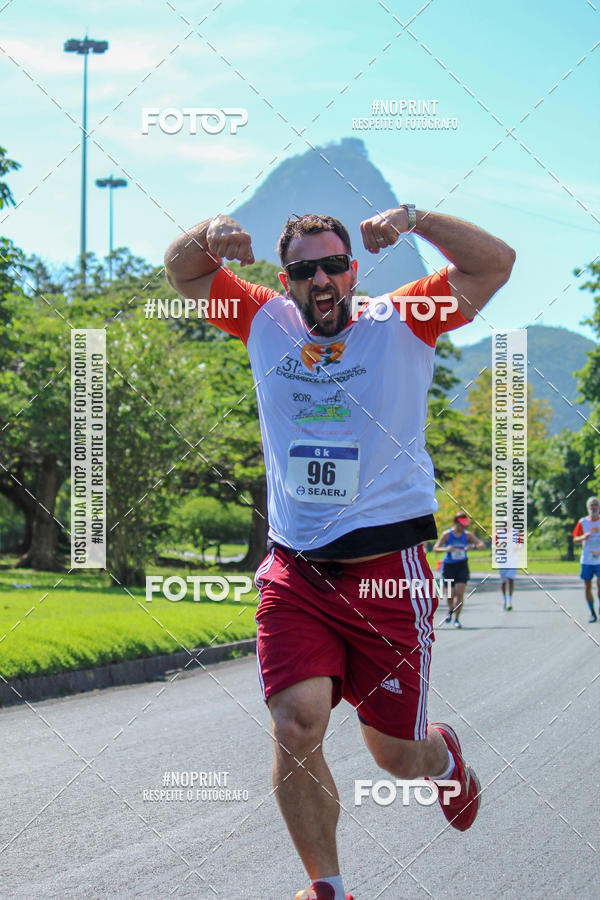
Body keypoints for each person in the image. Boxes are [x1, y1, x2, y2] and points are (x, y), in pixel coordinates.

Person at [165, 206, 515, 900]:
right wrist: (208, 232)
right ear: (285, 279)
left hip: (388, 577)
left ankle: (442, 757)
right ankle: (328, 887)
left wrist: (415, 220)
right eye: (303, 270)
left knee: (397, 757)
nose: (320, 280)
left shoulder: (405, 318)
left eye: (332, 265)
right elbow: (182, 271)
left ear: (353, 270)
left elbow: (494, 263)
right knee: (295, 726)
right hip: (296, 573)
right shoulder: (262, 321)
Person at [433, 515, 485, 628]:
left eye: (464, 525)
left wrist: (473, 546)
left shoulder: (467, 535)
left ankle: (457, 619)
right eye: (461, 525)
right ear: (456, 523)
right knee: (450, 594)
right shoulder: (447, 534)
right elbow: (435, 548)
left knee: (460, 593)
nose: (463, 527)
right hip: (449, 566)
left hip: (462, 566)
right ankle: (450, 609)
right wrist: (446, 549)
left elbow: (481, 545)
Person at [573, 496, 600, 623]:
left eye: (595, 505)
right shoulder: (583, 522)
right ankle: (592, 613)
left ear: (599, 507)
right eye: (591, 505)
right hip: (587, 560)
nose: (593, 507)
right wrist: (583, 537)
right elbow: (575, 539)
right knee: (587, 586)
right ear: (587, 508)